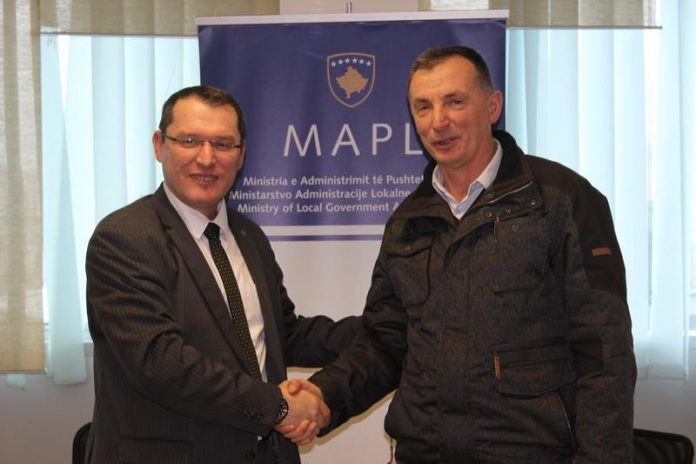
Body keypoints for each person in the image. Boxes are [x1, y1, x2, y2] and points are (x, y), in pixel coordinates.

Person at [286, 46, 637, 463]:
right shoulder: (407, 221)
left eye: (454, 101)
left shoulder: (562, 201)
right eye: (423, 107)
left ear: (493, 106)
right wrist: (324, 395)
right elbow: (386, 343)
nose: (438, 121)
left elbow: (604, 353)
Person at [84, 85, 361, 464]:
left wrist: (386, 329)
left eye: (223, 144)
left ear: (241, 155)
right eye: (189, 141)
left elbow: (281, 334)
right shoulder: (124, 238)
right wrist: (278, 407)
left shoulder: (249, 236)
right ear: (159, 146)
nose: (206, 158)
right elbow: (159, 362)